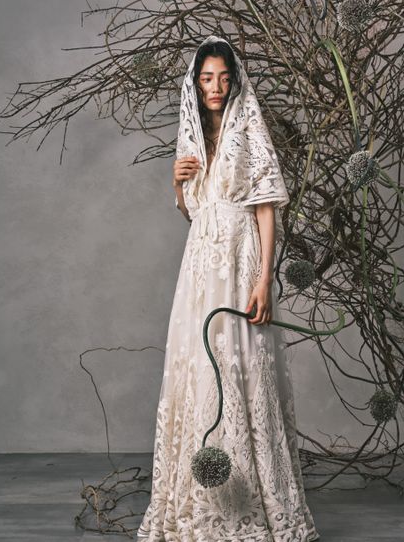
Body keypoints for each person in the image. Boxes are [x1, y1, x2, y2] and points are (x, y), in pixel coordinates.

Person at [137, 34, 320, 541]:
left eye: (222, 77)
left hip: (241, 260)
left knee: (244, 364)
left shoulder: (248, 130)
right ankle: (199, 501)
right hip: (200, 263)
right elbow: (193, 211)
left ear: (233, 81)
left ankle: (255, 502)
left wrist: (265, 277)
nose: (215, 86)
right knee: (199, 363)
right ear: (196, 85)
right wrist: (176, 184)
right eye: (206, 78)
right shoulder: (193, 135)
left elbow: (266, 208)